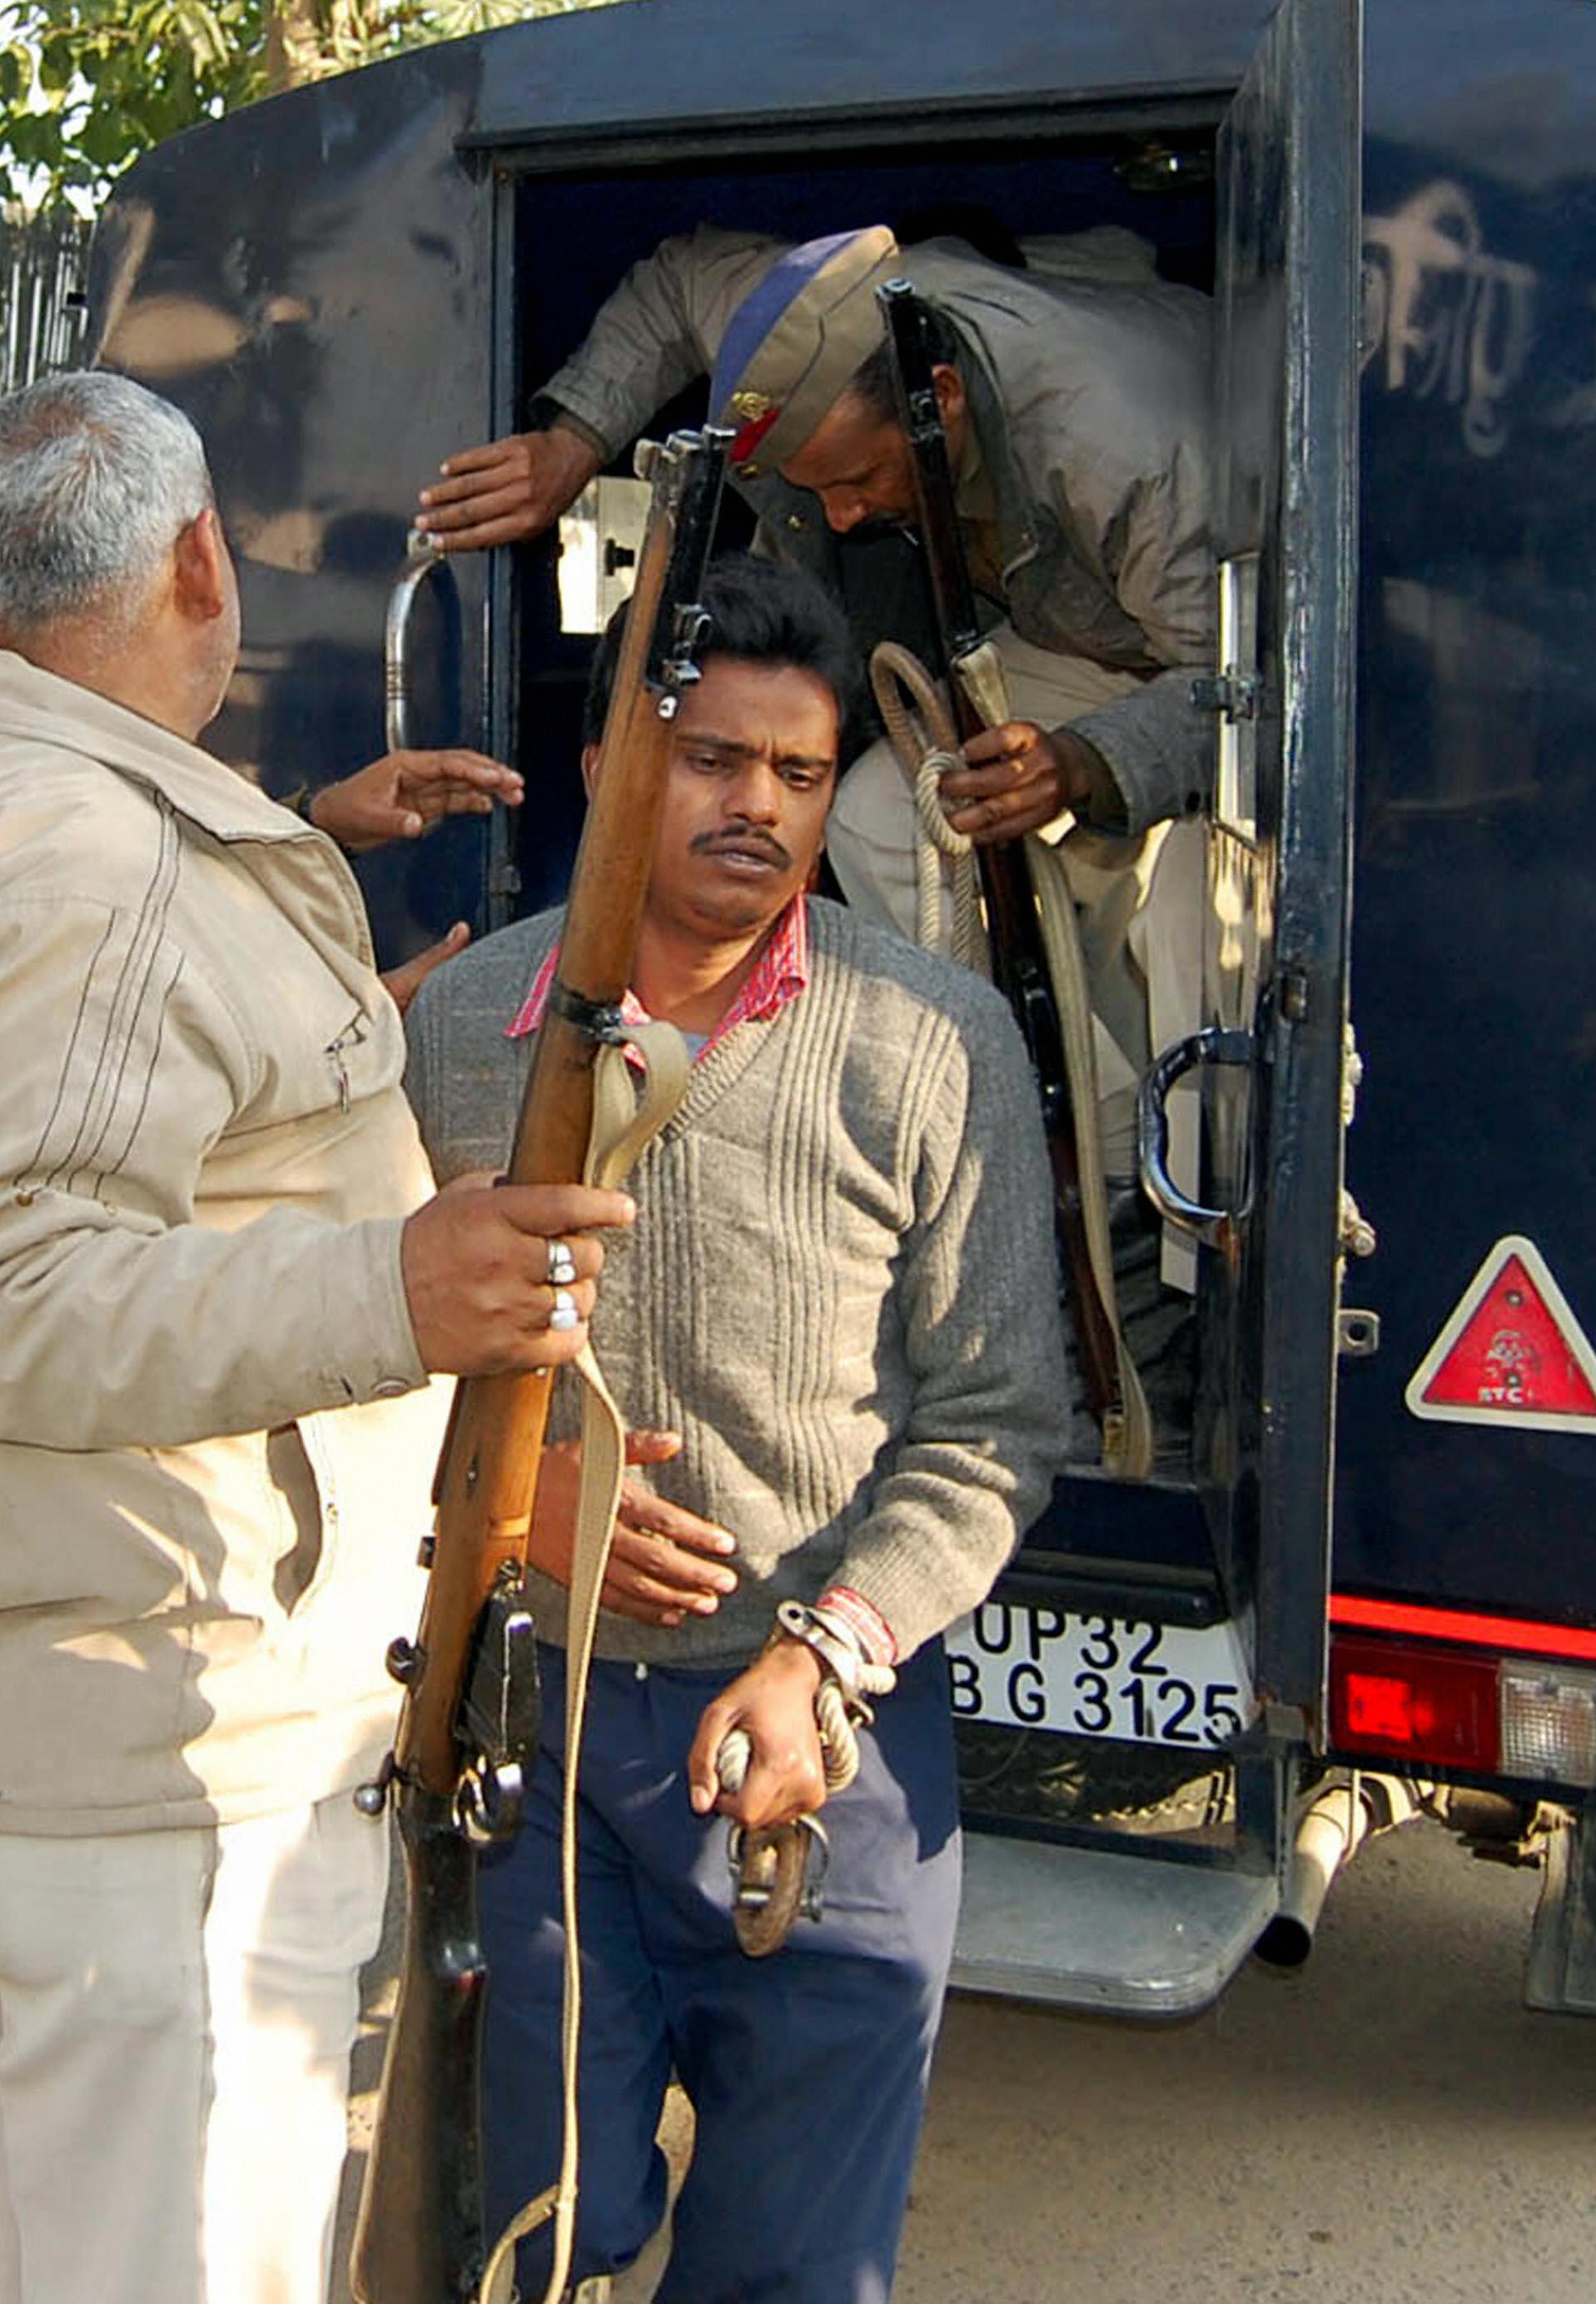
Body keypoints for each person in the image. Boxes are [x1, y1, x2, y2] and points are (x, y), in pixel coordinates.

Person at [0, 369, 631, 2304]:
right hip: (151, 1736)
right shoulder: (77, 865)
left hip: (139, 1687)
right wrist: (389, 1283)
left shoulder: (50, 815)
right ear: (197, 556)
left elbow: (146, 1115)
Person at [402, 555, 1071, 2304]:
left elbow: (999, 1420)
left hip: (823, 1754)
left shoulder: (935, 1040)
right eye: (712, 759)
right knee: (535, 2238)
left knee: (793, 2269)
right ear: (622, 765)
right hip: (535, 1740)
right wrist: (532, 1498)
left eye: (798, 771)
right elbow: (367, 1357)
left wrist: (825, 1656)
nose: (757, 807)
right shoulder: (465, 1030)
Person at [413, 221, 1229, 1137]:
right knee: (885, 815)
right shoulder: (798, 332)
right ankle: (1071, 1124)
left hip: (1175, 634)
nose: (839, 519)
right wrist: (571, 446)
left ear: (941, 398)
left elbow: (1246, 687)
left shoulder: (1129, 458)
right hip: (1046, 613)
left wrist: (1084, 761)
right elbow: (680, 280)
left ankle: (1115, 1157)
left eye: (859, 477)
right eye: (814, 488)